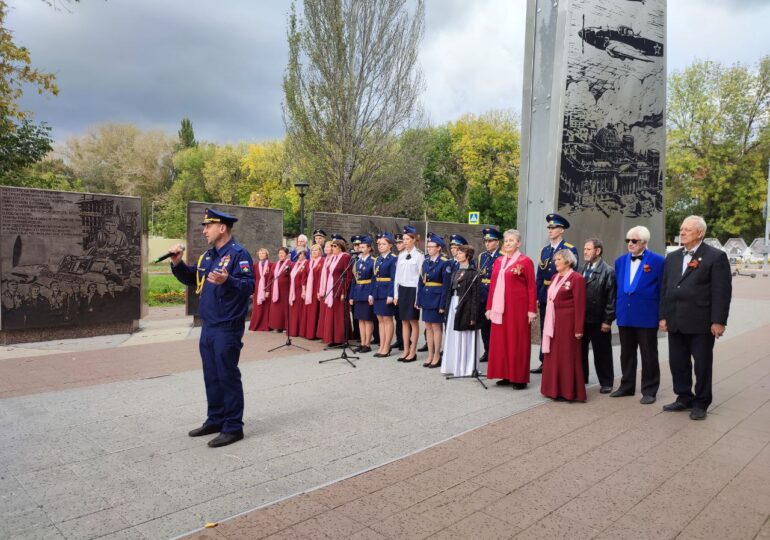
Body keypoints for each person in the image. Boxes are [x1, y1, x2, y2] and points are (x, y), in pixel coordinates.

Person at [169, 208, 254, 447]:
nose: (204, 230)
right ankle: (216, 419)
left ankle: (234, 427)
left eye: (208, 225)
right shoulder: (208, 255)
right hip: (208, 325)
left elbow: (250, 286)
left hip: (227, 326)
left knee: (227, 375)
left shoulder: (239, 254)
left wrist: (229, 280)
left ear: (222, 228)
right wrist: (178, 264)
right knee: (212, 376)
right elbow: (193, 278)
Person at [660, 216, 732, 421]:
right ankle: (684, 397)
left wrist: (718, 321)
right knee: (678, 362)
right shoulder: (673, 257)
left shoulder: (715, 256)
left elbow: (722, 292)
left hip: (701, 322)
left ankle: (701, 402)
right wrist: (663, 316)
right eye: (681, 229)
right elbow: (665, 289)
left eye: (687, 230)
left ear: (700, 233)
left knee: (701, 364)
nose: (682, 233)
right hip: (675, 319)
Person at [611, 225, 665, 405]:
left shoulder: (658, 261)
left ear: (644, 242)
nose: (630, 244)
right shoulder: (620, 261)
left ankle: (649, 390)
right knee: (626, 353)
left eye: (634, 240)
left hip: (647, 315)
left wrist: (662, 315)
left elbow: (663, 290)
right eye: (628, 240)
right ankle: (626, 386)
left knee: (648, 354)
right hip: (625, 314)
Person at [485, 229, 537, 389]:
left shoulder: (525, 261)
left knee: (517, 341)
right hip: (500, 309)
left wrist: (531, 309)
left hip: (518, 309)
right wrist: (489, 307)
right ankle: (506, 374)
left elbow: (531, 287)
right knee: (501, 342)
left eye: (511, 240)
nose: (507, 243)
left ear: (518, 243)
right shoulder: (499, 261)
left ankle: (519, 378)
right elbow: (493, 286)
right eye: (506, 240)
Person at [533, 213, 578, 374]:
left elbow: (572, 275)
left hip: (561, 295)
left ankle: (555, 360)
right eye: (549, 228)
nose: (550, 230)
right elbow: (539, 275)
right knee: (546, 327)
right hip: (546, 293)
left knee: (558, 328)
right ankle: (544, 360)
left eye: (554, 228)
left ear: (562, 230)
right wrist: (537, 296)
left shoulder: (569, 249)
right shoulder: (545, 250)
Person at [540, 249, 587, 401]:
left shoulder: (576, 278)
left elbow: (580, 305)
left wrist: (578, 329)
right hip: (552, 321)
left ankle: (568, 391)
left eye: (559, 259)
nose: (555, 262)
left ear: (568, 261)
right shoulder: (554, 277)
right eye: (555, 259)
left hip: (568, 323)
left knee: (566, 356)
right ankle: (552, 389)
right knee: (553, 356)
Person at [581, 238, 616, 393]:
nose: (585, 252)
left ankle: (606, 382)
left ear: (598, 251)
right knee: (580, 351)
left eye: (588, 249)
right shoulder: (582, 269)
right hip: (582, 319)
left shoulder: (608, 271)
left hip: (599, 319)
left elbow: (611, 298)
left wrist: (607, 320)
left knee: (602, 352)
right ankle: (582, 378)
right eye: (585, 249)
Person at [441, 244, 481, 377]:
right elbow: (449, 291)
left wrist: (473, 315)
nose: (457, 255)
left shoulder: (473, 273)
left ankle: (466, 367)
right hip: (453, 304)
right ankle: (453, 365)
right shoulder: (455, 272)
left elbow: (475, 295)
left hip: (466, 307)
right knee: (453, 334)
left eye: (460, 253)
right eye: (457, 253)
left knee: (464, 335)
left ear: (468, 256)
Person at [417, 233, 450, 368]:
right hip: (426, 297)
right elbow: (421, 282)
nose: (429, 249)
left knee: (436, 328)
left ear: (439, 248)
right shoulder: (425, 261)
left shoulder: (444, 263)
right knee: (428, 327)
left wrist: (442, 304)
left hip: (437, 299)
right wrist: (418, 299)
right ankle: (430, 354)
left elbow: (446, 286)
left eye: (431, 246)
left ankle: (437, 355)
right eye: (428, 246)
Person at [393, 225, 424, 362]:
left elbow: (420, 278)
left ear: (413, 240)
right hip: (402, 290)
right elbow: (397, 277)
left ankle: (413, 351)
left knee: (413, 321)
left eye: (407, 239)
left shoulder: (419, 255)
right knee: (403, 321)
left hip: (413, 290)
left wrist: (418, 297)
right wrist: (395, 294)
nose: (404, 241)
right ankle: (405, 349)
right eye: (403, 239)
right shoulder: (401, 255)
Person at [319, 237, 353, 346]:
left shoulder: (345, 257)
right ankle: (332, 338)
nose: (332, 248)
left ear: (340, 247)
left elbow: (348, 275)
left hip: (340, 289)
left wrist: (344, 291)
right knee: (332, 314)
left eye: (335, 246)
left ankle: (341, 339)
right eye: (332, 246)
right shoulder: (333, 258)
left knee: (340, 315)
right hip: (332, 288)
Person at [478, 227, 502, 363]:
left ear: (497, 242)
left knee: (495, 326)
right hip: (483, 293)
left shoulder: (502, 256)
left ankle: (495, 351)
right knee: (484, 326)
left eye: (490, 241)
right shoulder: (482, 256)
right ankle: (487, 350)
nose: (487, 244)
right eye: (485, 241)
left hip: (496, 293)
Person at [372, 233, 397, 357]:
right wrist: (371, 293)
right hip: (377, 291)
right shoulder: (378, 259)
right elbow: (374, 277)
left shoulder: (393, 258)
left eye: (383, 244)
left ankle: (387, 346)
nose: (380, 246)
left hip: (386, 292)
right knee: (380, 319)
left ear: (390, 245)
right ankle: (381, 345)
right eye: (379, 244)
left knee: (387, 319)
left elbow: (393, 278)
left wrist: (391, 295)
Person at [350, 235, 375, 353]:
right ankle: (362, 342)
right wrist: (351, 295)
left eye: (363, 246)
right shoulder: (358, 261)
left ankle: (367, 344)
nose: (360, 248)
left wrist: (371, 294)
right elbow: (354, 280)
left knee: (367, 319)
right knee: (360, 319)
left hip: (367, 292)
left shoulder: (373, 261)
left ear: (369, 248)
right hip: (358, 293)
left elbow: (374, 279)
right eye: (360, 247)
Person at [302, 244, 324, 340]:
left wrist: (320, 290)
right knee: (310, 311)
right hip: (309, 290)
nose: (314, 252)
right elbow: (304, 277)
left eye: (316, 250)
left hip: (318, 289)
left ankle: (317, 334)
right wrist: (303, 290)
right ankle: (309, 333)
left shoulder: (323, 261)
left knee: (317, 310)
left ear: (320, 251)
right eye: (312, 250)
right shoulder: (307, 263)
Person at [268, 247, 293, 332]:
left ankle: (285, 326)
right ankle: (277, 326)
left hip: (285, 290)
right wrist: (268, 290)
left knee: (284, 309)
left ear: (287, 254)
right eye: (279, 253)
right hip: (275, 290)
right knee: (276, 309)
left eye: (282, 253)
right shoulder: (275, 265)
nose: (281, 255)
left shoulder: (290, 264)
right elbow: (270, 277)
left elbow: (292, 276)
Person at [248, 248, 273, 332]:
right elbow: (253, 279)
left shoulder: (271, 265)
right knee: (257, 308)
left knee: (266, 307)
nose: (261, 254)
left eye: (263, 253)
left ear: (266, 255)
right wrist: (252, 291)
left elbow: (271, 278)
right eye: (260, 253)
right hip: (257, 288)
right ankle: (256, 325)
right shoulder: (255, 266)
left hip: (267, 288)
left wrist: (268, 290)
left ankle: (266, 326)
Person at [316, 240, 334, 339]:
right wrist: (319, 290)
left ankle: (328, 335)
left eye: (329, 246)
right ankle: (323, 334)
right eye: (325, 247)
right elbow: (320, 276)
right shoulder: (325, 259)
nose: (326, 248)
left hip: (330, 288)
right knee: (323, 312)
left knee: (328, 312)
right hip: (323, 288)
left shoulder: (334, 259)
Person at [288, 249, 308, 337]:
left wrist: (304, 289)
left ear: (305, 255)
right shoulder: (295, 264)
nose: (299, 256)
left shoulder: (306, 263)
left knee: (300, 310)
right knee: (294, 311)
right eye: (298, 254)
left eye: (301, 254)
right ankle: (293, 330)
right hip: (293, 289)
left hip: (301, 289)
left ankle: (300, 330)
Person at [392, 233, 405, 351]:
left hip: (407, 291)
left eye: (400, 242)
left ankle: (406, 340)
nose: (398, 245)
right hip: (398, 290)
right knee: (398, 317)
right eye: (397, 243)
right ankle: (399, 339)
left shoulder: (407, 256)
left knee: (405, 318)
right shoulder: (398, 257)